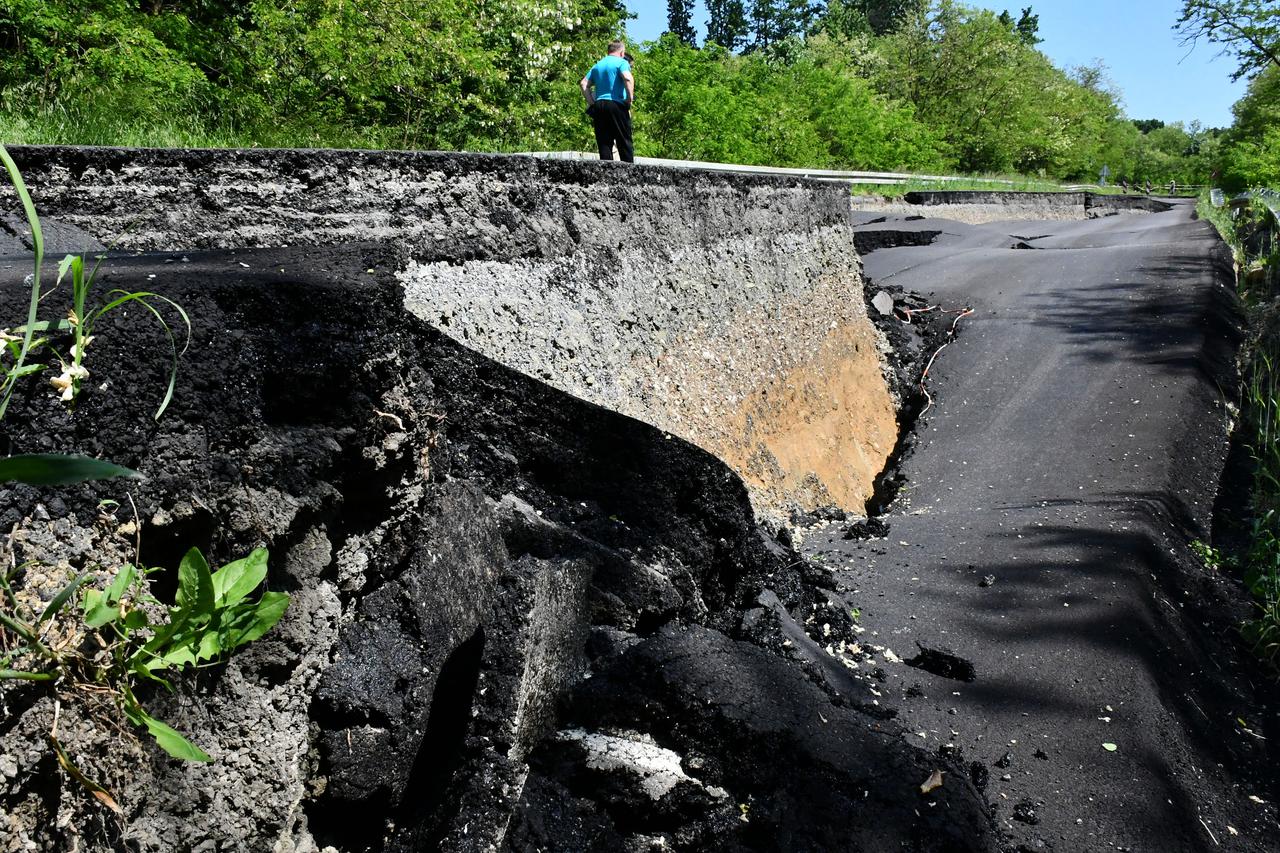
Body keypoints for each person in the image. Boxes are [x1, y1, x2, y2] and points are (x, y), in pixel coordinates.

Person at [580, 40, 634, 163]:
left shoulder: (598, 65)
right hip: (616, 104)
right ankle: (630, 174)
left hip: (599, 105)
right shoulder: (622, 63)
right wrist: (629, 99)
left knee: (604, 142)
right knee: (624, 141)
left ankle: (606, 173)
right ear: (622, 52)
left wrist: (592, 103)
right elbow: (627, 78)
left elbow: (583, 84)